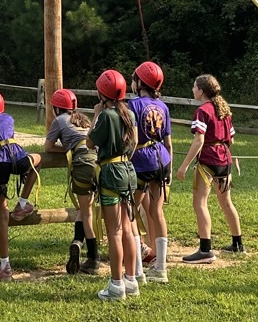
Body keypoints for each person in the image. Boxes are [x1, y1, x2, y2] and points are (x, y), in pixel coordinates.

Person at [0, 90, 41, 281]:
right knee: (38, 160)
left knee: (2, 214)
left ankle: (5, 266)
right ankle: (22, 203)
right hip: (18, 157)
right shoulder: (9, 117)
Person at [176, 74, 243, 263]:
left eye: (194, 86)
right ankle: (237, 244)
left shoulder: (202, 111)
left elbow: (199, 140)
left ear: (201, 90)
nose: (192, 89)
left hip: (208, 161)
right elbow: (231, 139)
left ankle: (205, 250)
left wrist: (184, 166)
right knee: (226, 203)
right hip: (224, 159)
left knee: (200, 203)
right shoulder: (224, 109)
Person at [87, 69, 139, 301]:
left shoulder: (106, 116)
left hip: (110, 173)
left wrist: (96, 115)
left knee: (114, 232)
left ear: (102, 93)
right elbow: (134, 143)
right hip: (128, 170)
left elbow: (90, 142)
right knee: (127, 229)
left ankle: (116, 285)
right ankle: (131, 280)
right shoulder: (130, 114)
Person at [44, 89, 98, 275]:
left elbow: (48, 147)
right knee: (85, 209)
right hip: (98, 161)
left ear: (56, 108)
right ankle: (77, 241)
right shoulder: (83, 119)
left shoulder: (59, 120)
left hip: (83, 163)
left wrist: (69, 148)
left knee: (87, 212)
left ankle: (93, 258)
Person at [128, 61, 172, 283]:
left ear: (140, 82)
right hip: (162, 159)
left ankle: (137, 270)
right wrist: (170, 168)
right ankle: (161, 268)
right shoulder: (163, 106)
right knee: (157, 211)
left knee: (131, 211)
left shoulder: (133, 105)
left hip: (141, 161)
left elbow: (132, 139)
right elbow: (168, 141)